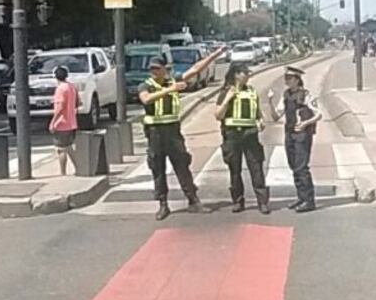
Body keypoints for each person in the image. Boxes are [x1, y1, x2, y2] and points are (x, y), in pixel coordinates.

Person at [138, 46, 225, 221]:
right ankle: (163, 204)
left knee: (182, 165)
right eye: (151, 69)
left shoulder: (173, 80)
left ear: (164, 69)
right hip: (155, 133)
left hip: (172, 131)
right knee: (158, 168)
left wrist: (214, 55)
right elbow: (145, 98)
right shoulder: (146, 85)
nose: (153, 72)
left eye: (157, 68)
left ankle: (193, 200)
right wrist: (171, 90)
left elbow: (195, 69)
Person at [215, 63, 270, 214]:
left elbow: (257, 111)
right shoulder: (226, 91)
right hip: (232, 135)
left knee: (256, 168)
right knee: (235, 169)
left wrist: (261, 120)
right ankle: (238, 201)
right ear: (236, 75)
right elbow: (218, 115)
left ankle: (262, 202)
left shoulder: (252, 91)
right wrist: (227, 99)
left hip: (250, 134)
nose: (248, 75)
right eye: (245, 73)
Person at [268, 66, 322, 212]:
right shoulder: (285, 95)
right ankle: (301, 197)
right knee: (293, 166)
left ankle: (309, 200)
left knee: (301, 167)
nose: (287, 81)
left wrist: (305, 123)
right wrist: (270, 102)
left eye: (290, 78)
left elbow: (318, 114)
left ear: (297, 80)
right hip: (289, 133)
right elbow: (276, 116)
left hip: (302, 135)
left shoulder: (306, 95)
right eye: (286, 78)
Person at [48, 66, 79, 175]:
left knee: (61, 149)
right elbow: (77, 102)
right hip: (71, 122)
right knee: (69, 147)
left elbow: (60, 107)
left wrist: (53, 122)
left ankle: (63, 172)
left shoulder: (60, 89)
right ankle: (78, 168)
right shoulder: (71, 87)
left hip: (62, 123)